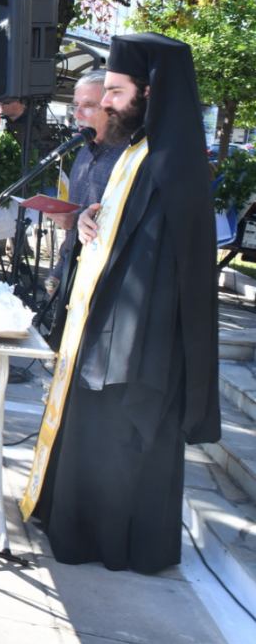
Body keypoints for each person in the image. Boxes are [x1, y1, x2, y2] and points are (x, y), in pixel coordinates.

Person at [22, 33, 220, 574]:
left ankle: (112, 546)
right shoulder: (136, 151)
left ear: (149, 92)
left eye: (114, 91)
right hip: (103, 330)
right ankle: (75, 528)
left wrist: (122, 350)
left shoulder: (172, 162)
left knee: (121, 446)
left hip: (138, 347)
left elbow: (164, 267)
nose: (106, 103)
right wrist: (93, 217)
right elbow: (124, 230)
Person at [46, 72, 123, 340]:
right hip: (72, 270)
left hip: (106, 284)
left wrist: (80, 219)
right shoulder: (83, 150)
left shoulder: (130, 158)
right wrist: (58, 272)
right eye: (75, 106)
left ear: (113, 108)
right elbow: (79, 215)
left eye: (89, 106)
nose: (78, 114)